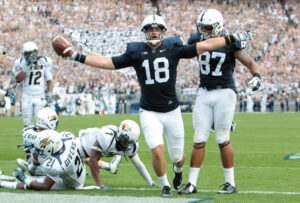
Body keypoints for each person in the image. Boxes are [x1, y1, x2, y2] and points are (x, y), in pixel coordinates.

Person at [54, 14, 254, 197]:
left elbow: (203, 47)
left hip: (172, 110)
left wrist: (230, 38)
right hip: (149, 110)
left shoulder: (173, 47)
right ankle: (165, 185)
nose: (153, 32)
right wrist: (76, 56)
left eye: (157, 29)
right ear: (145, 32)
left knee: (178, 157)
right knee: (156, 148)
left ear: (163, 31)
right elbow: (109, 63)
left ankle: (177, 170)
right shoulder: (136, 51)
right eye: (150, 29)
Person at [178, 9, 261, 195]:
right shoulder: (196, 39)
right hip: (204, 92)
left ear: (217, 27)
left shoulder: (231, 43)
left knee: (222, 138)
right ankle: (191, 183)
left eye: (207, 28)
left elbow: (250, 63)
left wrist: (256, 76)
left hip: (225, 93)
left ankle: (230, 183)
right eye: (201, 28)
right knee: (199, 139)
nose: (203, 31)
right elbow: (183, 52)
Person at [79, 119, 158, 188]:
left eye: (130, 142)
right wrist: (100, 185)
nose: (126, 144)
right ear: (119, 134)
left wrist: (151, 182)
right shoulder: (107, 137)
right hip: (79, 148)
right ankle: (109, 166)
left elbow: (138, 164)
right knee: (75, 184)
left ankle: (110, 166)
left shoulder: (130, 146)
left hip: (84, 155)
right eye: (125, 140)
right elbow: (93, 161)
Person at [0, 129, 86, 190]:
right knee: (44, 164)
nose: (38, 152)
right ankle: (30, 168)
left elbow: (45, 186)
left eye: (39, 150)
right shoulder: (67, 138)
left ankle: (3, 184)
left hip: (73, 184)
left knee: (33, 182)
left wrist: (24, 179)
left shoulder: (57, 164)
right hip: (76, 170)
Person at [13, 42, 53, 127]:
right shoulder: (20, 62)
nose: (31, 55)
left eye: (33, 53)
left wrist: (49, 95)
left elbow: (49, 80)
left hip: (40, 97)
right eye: (28, 53)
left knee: (42, 125)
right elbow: (18, 80)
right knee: (27, 126)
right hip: (27, 97)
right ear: (25, 54)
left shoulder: (44, 61)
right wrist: (27, 65)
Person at [16, 107, 59, 176]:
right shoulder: (48, 136)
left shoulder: (27, 131)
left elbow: (28, 155)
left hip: (33, 165)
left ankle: (26, 171)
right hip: (47, 170)